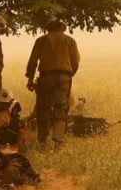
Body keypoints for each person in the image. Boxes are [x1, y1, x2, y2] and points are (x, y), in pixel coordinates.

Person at [26, 17, 80, 150]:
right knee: (61, 108)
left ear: (48, 27)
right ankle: (58, 142)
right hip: (64, 77)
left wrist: (30, 78)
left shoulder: (41, 40)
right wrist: (68, 75)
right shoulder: (70, 41)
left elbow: (33, 61)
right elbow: (76, 61)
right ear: (62, 27)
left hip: (46, 78)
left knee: (43, 107)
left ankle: (43, 141)